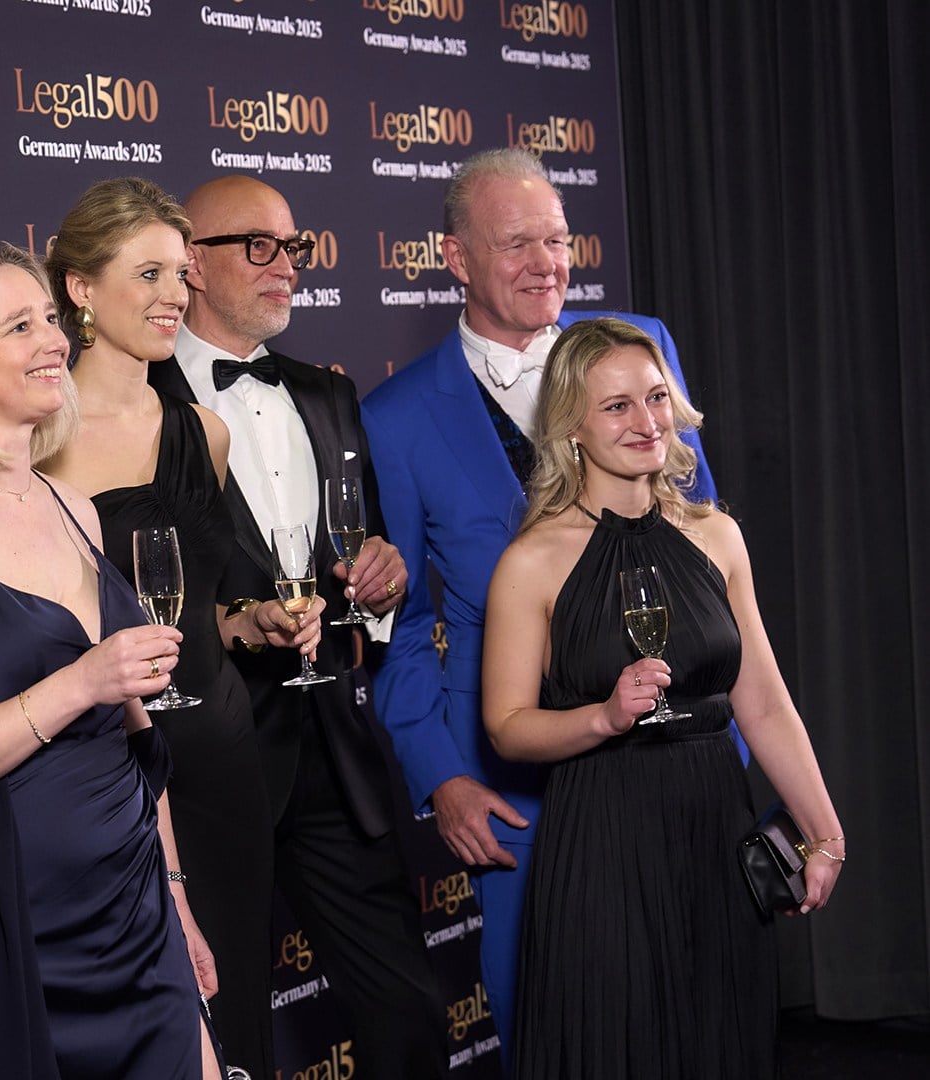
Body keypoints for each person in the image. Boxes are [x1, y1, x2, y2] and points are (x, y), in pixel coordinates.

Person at [359, 146, 722, 1062]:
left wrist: (733, 736)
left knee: (696, 1006)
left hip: (673, 748)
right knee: (550, 1025)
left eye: (557, 240)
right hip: (515, 776)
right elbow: (399, 625)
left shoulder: (639, 345)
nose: (546, 265)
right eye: (516, 243)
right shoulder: (396, 416)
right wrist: (443, 777)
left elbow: (705, 546)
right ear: (455, 258)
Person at [0, 244, 221, 1080]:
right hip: (18, 918)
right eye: (19, 326)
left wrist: (175, 895)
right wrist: (81, 681)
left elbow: (135, 732)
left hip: (134, 902)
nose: (55, 340)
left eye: (51, 320)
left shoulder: (74, 507)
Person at [481, 316, 844, 1077]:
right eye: (617, 406)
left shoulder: (716, 536)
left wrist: (825, 833)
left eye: (655, 397)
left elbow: (764, 702)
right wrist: (603, 717)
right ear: (571, 425)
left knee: (719, 1044)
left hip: (714, 829)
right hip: (602, 839)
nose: (647, 422)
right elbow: (507, 727)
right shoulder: (532, 560)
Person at [150, 175, 446, 1079]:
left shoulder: (326, 394)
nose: (287, 266)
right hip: (206, 762)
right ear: (192, 263)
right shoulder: (133, 403)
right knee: (230, 1031)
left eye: (295, 247)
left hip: (333, 755)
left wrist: (383, 581)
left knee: (410, 1014)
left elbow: (362, 555)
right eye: (260, 246)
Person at [39, 177, 323, 1079]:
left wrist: (252, 621)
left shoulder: (204, 430)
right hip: (112, 769)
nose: (174, 293)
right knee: (152, 1027)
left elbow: (200, 609)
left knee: (236, 1010)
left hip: (224, 756)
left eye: (179, 271)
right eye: (148, 273)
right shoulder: (38, 437)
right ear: (81, 289)